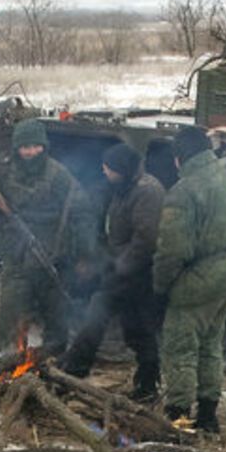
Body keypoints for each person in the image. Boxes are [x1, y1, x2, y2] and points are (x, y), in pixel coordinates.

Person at [0, 118, 93, 355]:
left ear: (44, 147)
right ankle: (10, 366)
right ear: (16, 148)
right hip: (16, 259)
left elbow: (82, 213)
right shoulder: (4, 169)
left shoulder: (58, 175)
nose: (31, 152)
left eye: (36, 146)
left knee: (57, 320)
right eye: (25, 147)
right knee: (11, 315)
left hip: (51, 258)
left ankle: (54, 366)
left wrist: (84, 254)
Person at [152, 125, 226, 433]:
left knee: (180, 349)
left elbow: (172, 249)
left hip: (196, 281)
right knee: (211, 347)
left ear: (179, 158)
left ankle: (179, 418)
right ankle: (208, 416)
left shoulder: (183, 191)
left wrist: (161, 286)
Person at [60, 142, 164, 401]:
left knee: (98, 312)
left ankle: (74, 370)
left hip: (137, 271)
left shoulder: (147, 192)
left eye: (108, 169)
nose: (105, 173)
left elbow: (146, 238)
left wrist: (121, 267)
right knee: (137, 328)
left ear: (122, 169)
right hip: (125, 267)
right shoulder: (124, 187)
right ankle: (148, 383)